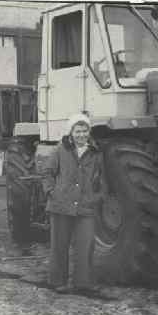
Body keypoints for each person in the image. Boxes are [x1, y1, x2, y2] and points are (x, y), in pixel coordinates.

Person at [42, 113, 105, 294]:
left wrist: (97, 196)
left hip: (86, 205)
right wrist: (51, 192)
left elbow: (102, 178)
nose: (81, 135)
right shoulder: (60, 149)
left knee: (86, 245)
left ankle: (83, 283)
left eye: (85, 131)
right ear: (71, 132)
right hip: (61, 205)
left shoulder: (95, 152)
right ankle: (57, 281)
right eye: (78, 131)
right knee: (59, 245)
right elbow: (47, 172)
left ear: (89, 132)